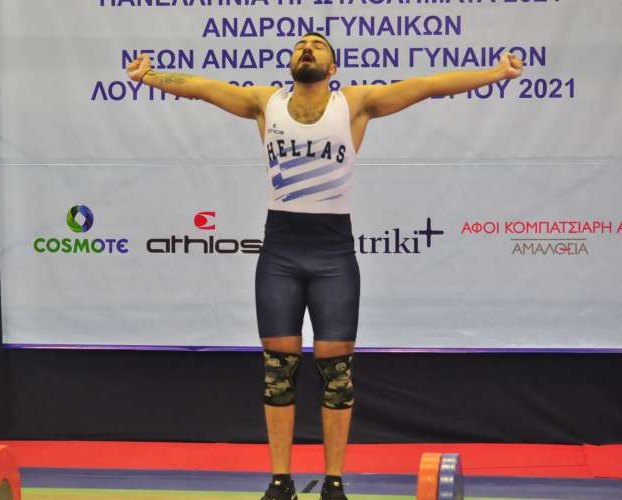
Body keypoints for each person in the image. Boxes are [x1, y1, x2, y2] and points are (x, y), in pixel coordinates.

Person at [127, 33, 523, 500]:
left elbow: (429, 86)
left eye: (317, 45)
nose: (307, 48)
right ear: (290, 63)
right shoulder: (264, 103)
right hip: (280, 252)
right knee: (278, 372)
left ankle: (334, 482)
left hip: (333, 255)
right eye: (300, 45)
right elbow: (200, 87)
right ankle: (280, 481)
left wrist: (496, 74)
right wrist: (149, 77)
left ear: (333, 67)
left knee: (337, 375)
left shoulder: (354, 105)